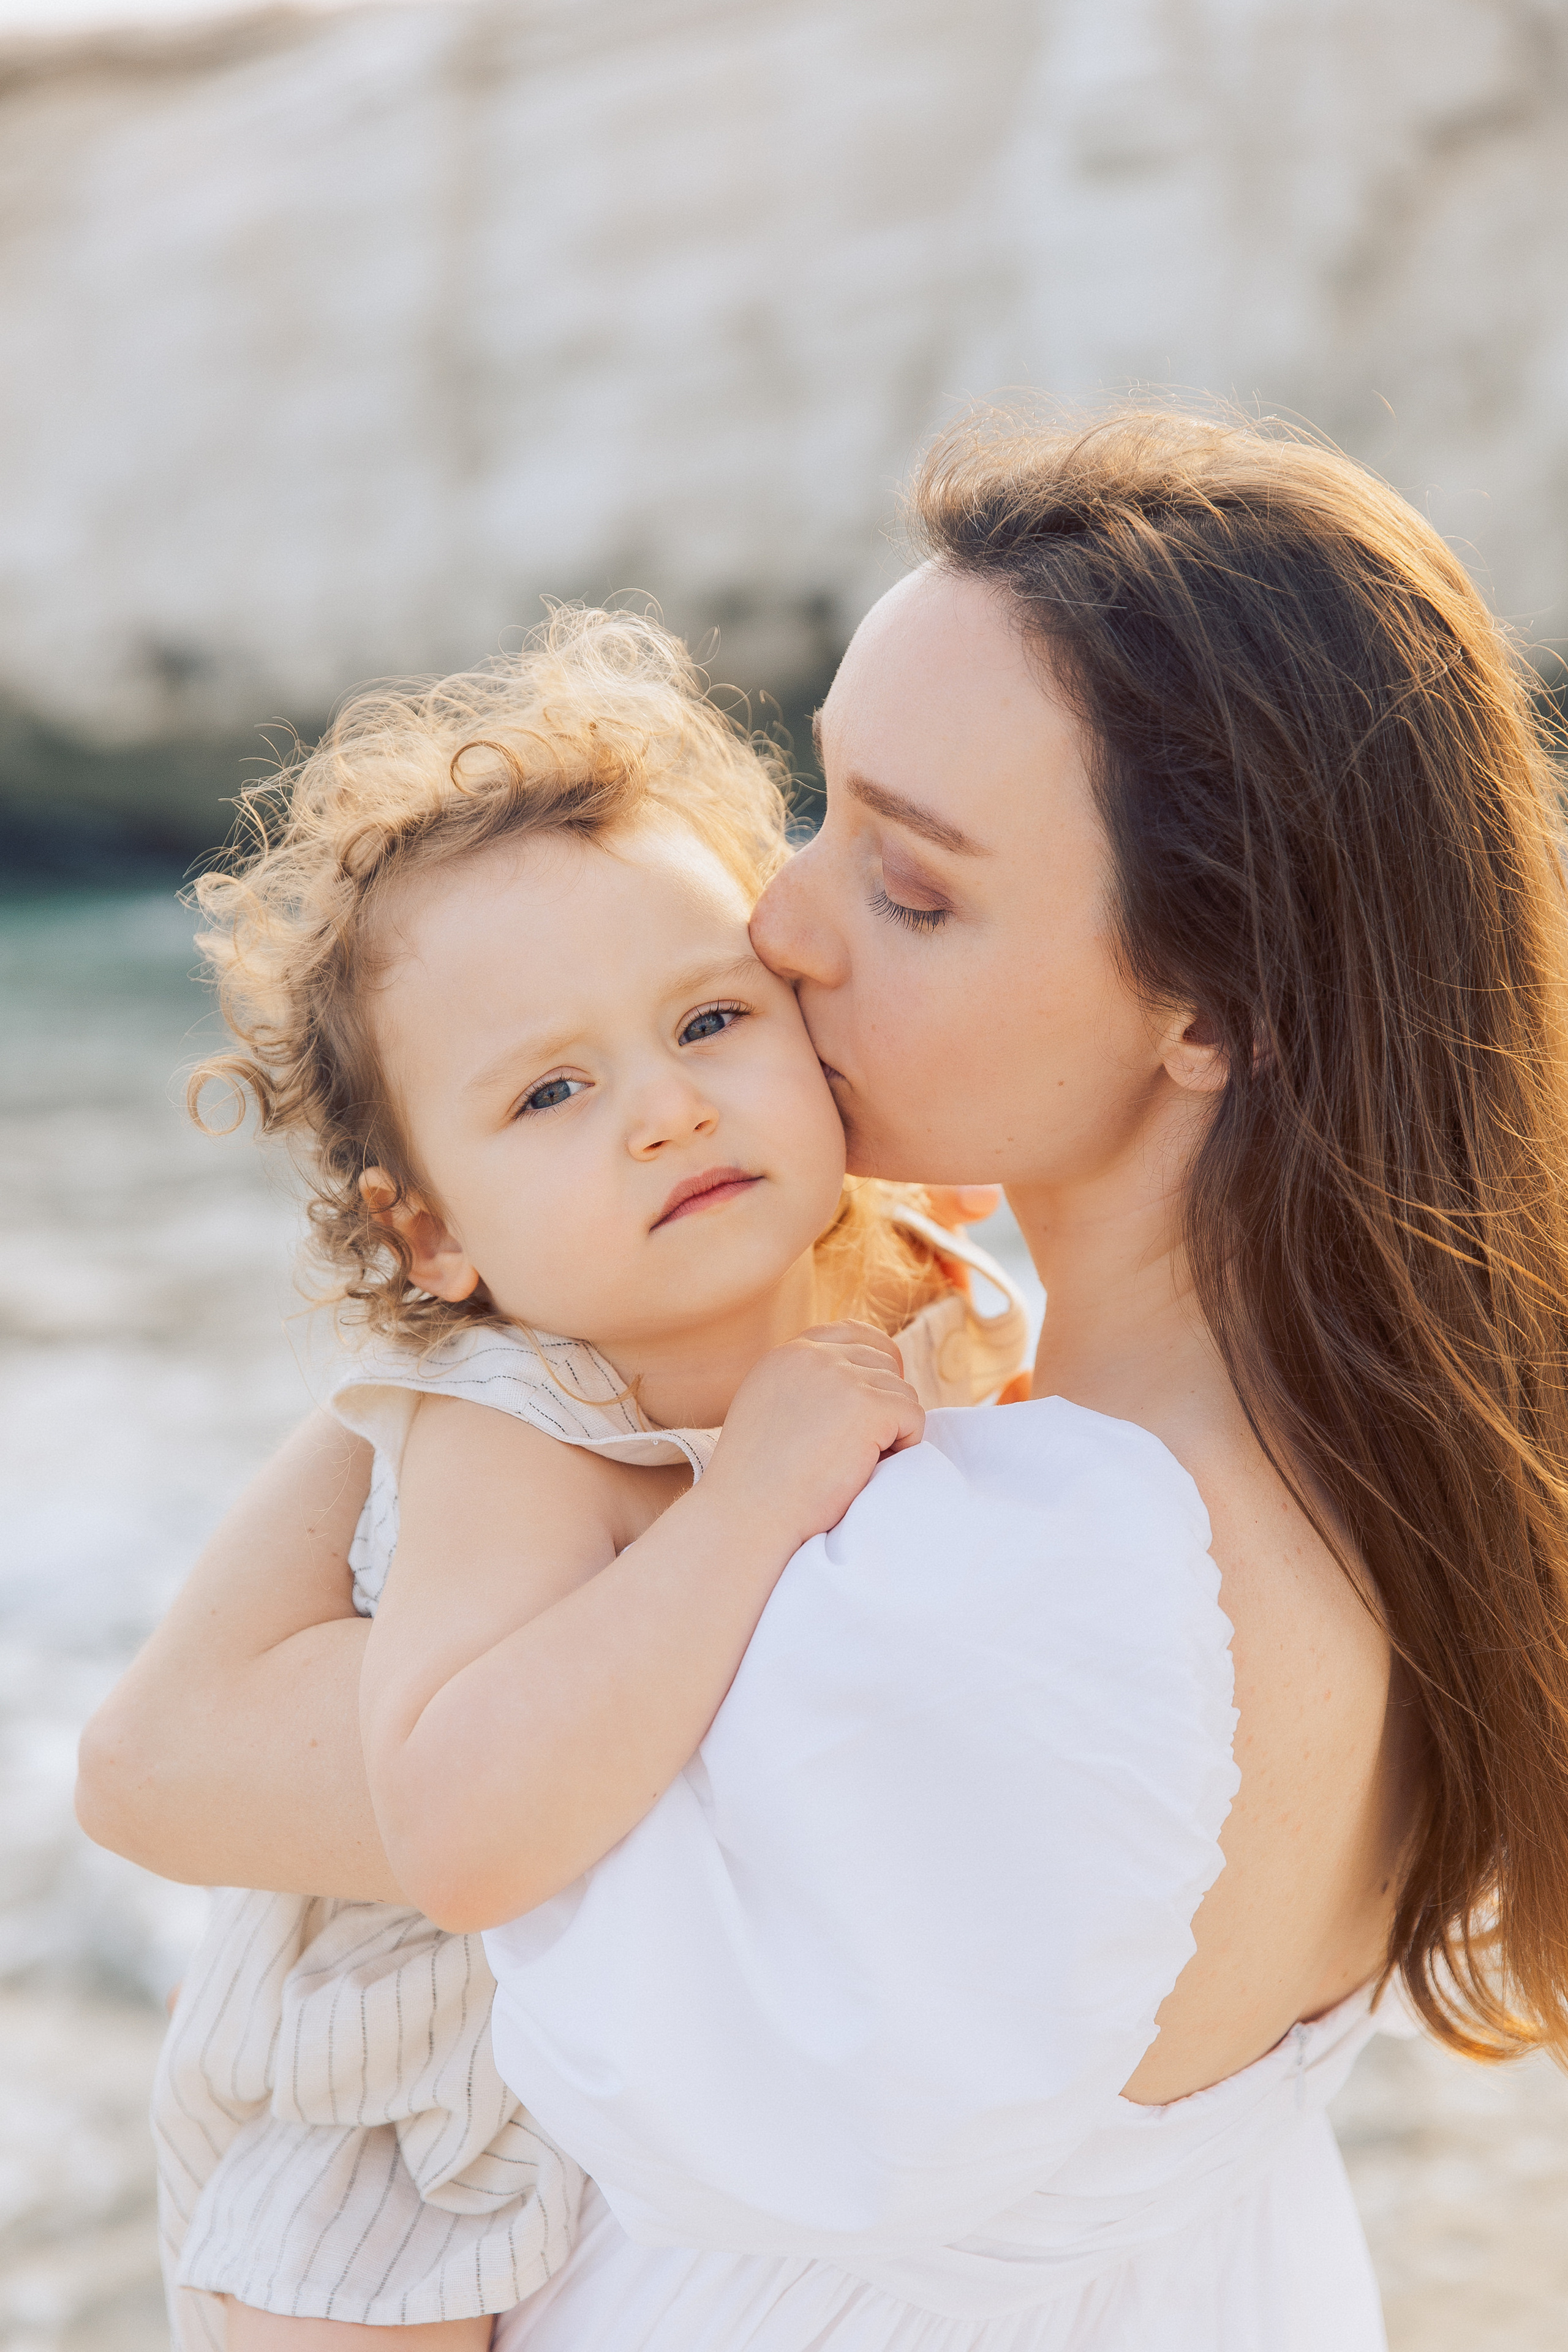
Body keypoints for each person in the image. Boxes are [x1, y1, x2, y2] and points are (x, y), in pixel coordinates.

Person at [78, 404, 1568, 2349]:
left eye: (914, 887)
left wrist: (486, 1320)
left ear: (1218, 1008)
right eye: (822, 813)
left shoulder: (1012, 1588)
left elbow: (164, 1760)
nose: (778, 925)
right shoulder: (1369, 1456)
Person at [111, 606, 1029, 2351]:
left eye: (709, 1018)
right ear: (433, 1233)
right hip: (396, 2122)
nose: (668, 1112)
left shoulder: (884, 1271)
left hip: (646, 2071)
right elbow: (464, 1832)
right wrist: (752, 1504)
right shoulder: (517, 1425)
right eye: (550, 1090)